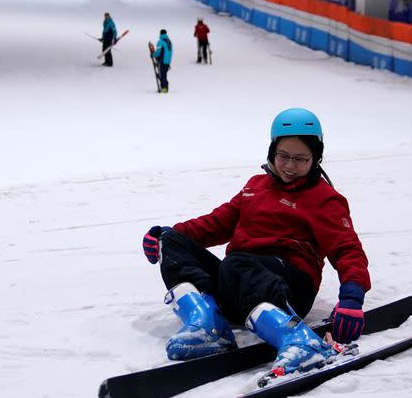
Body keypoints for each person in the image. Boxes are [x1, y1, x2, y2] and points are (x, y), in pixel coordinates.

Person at [141, 108, 371, 378]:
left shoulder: (325, 199)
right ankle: (208, 325)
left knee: (238, 262)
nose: (289, 165)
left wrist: (352, 299)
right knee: (173, 243)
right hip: (238, 280)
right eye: (283, 156)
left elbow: (348, 249)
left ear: (316, 158)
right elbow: (217, 222)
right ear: (272, 151)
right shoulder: (255, 186)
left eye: (300, 159)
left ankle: (299, 340)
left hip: (288, 285)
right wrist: (167, 235)